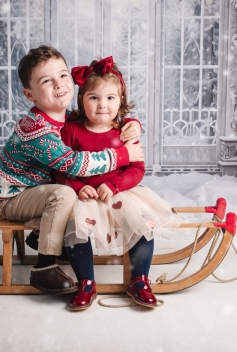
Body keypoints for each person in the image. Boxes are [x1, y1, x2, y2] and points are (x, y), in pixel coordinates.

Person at [0, 46, 144, 296]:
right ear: (29, 94)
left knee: (74, 196)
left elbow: (98, 118)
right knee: (64, 195)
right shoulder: (37, 131)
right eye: (46, 81)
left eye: (63, 75)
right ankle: (44, 267)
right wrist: (123, 155)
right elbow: (74, 164)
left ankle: (50, 240)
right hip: (16, 196)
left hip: (39, 189)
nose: (59, 84)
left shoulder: (62, 116)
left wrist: (132, 123)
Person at [54, 56, 180, 310]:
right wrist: (79, 187)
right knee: (77, 227)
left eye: (110, 98)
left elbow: (137, 168)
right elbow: (59, 168)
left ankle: (140, 279)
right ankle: (86, 283)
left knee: (142, 224)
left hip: (120, 192)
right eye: (94, 98)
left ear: (121, 100)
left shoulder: (124, 131)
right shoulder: (72, 131)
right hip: (85, 196)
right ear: (82, 100)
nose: (102, 105)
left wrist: (114, 185)